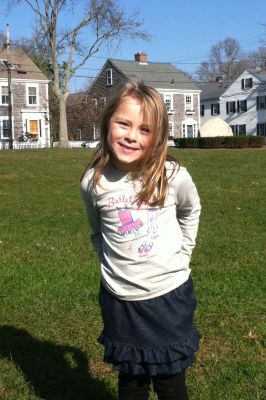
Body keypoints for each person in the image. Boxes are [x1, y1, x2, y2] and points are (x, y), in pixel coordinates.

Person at [80, 80, 201, 400]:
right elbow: (97, 233)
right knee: (131, 383)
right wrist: (112, 268)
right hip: (120, 302)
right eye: (124, 123)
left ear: (157, 137)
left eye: (144, 129)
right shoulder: (93, 182)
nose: (132, 135)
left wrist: (184, 252)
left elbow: (191, 211)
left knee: (169, 382)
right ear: (108, 122)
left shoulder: (172, 176)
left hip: (168, 298)